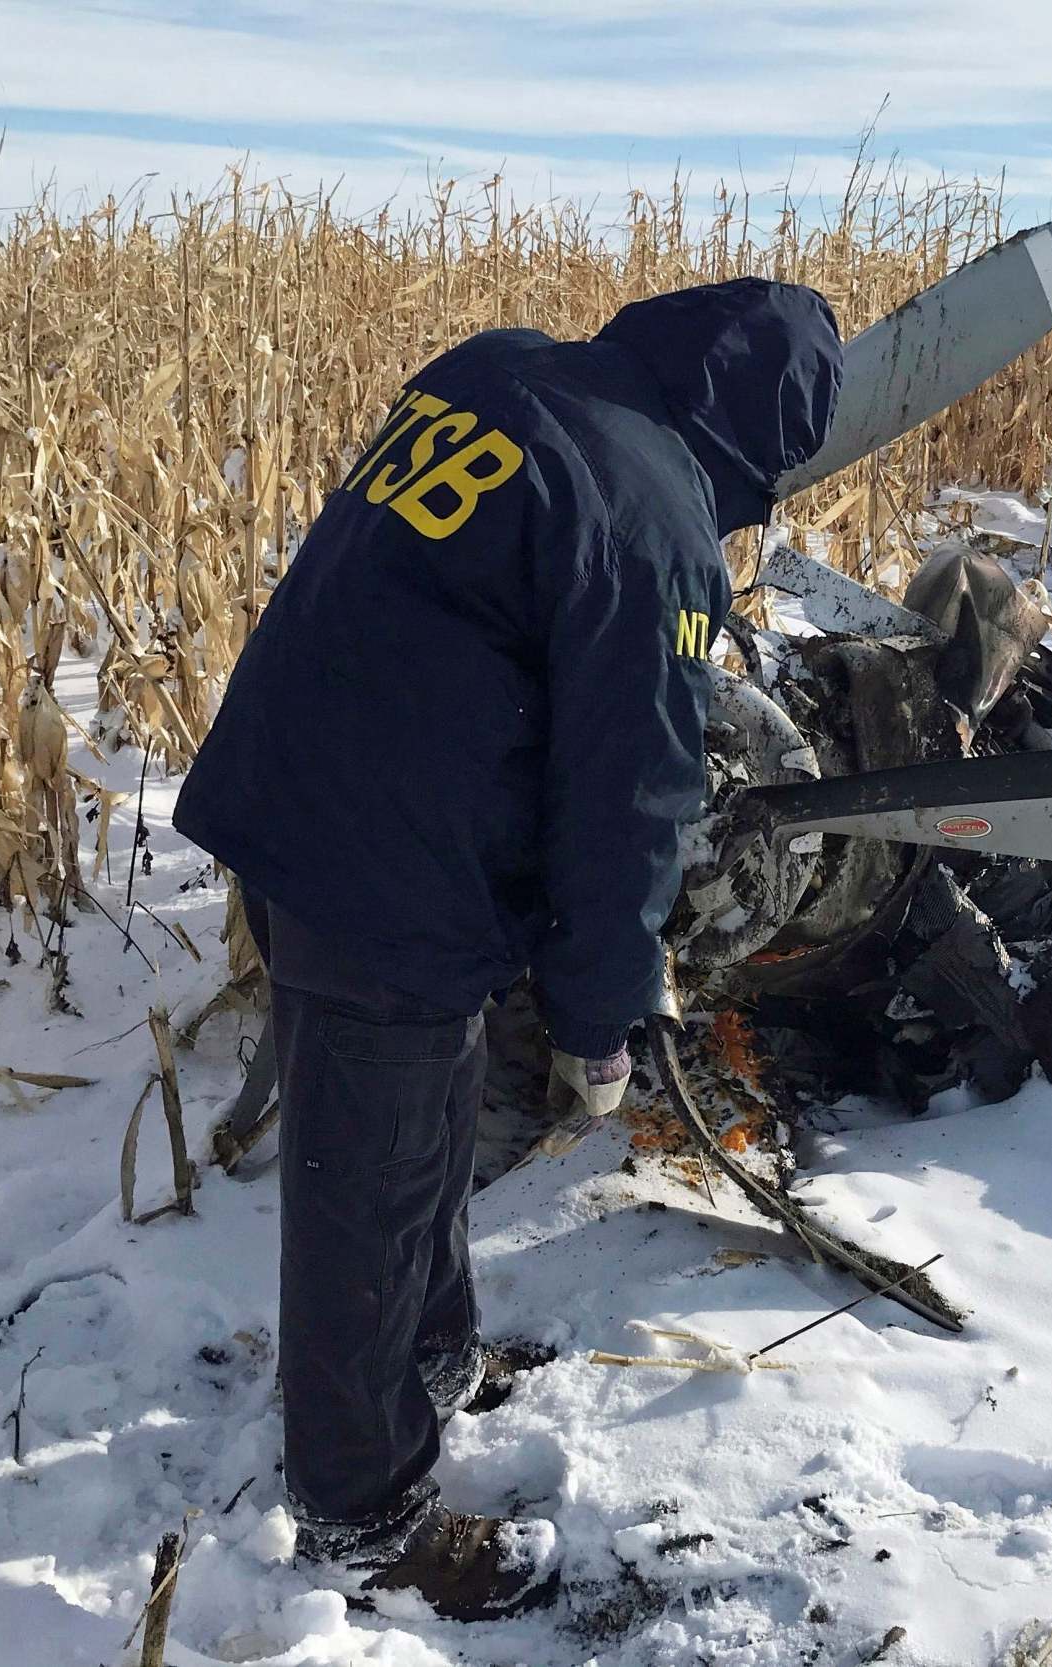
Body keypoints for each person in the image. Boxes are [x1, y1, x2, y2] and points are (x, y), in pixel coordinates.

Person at [173, 279, 842, 1619]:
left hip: (292, 800)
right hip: (388, 873)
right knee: (364, 1197)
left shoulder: (498, 370)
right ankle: (365, 1516)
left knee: (410, 1132)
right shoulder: (657, 525)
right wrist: (599, 1021)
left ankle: (430, 1364)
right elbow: (629, 802)